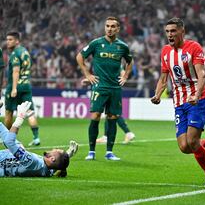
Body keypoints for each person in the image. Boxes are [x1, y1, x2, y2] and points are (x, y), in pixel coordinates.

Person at [151, 18, 205, 187]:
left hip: (198, 99)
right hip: (179, 101)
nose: (170, 35)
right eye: (167, 31)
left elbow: (202, 75)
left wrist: (196, 96)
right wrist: (157, 94)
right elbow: (163, 77)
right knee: (184, 146)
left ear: (182, 31)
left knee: (192, 141)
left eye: (173, 31)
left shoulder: (193, 47)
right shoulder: (165, 51)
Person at [76, 16, 133, 161]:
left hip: (115, 88)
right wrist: (88, 74)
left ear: (118, 29)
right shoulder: (96, 43)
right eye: (107, 26)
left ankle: (109, 152)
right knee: (95, 116)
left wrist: (125, 76)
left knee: (112, 117)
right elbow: (80, 57)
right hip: (99, 87)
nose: (109, 28)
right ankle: (91, 152)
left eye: (113, 26)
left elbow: (130, 61)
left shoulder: (122, 46)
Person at [0, 101, 78, 177]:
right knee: (20, 146)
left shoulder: (32, 162)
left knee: (18, 145)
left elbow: (9, 142)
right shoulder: (47, 170)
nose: (54, 148)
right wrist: (67, 155)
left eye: (56, 150)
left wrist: (20, 118)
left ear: (52, 158)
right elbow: (56, 166)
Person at [4, 32, 40, 146]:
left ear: (17, 41)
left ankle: (8, 137)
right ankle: (36, 138)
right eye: (7, 39)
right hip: (26, 85)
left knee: (9, 112)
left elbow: (16, 71)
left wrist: (14, 88)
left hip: (15, 86)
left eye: (10, 39)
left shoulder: (14, 53)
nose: (7, 42)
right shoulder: (25, 52)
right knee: (30, 112)